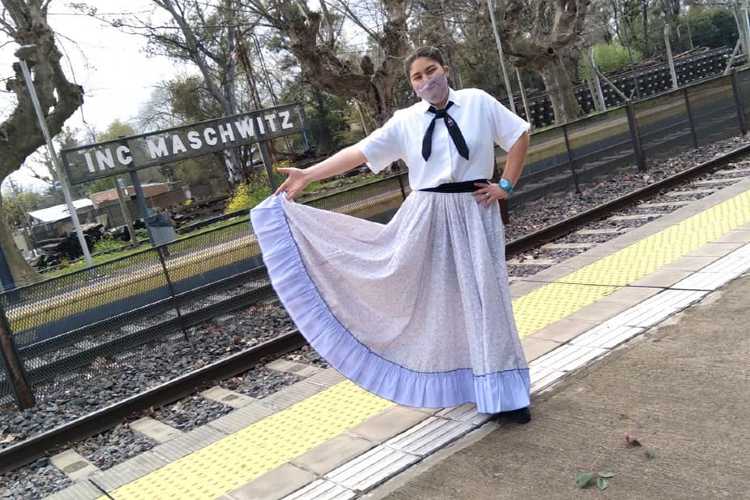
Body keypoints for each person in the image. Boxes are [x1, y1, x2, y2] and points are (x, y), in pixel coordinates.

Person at [250, 46, 532, 423]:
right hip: (427, 215)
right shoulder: (406, 121)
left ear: (445, 69)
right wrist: (309, 174)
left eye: (431, 70)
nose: (426, 80)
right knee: (435, 301)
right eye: (418, 76)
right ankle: (463, 383)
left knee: (487, 298)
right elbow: (359, 152)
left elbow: (519, 135)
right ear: (412, 85)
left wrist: (506, 185)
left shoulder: (478, 102)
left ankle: (505, 394)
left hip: (475, 208)